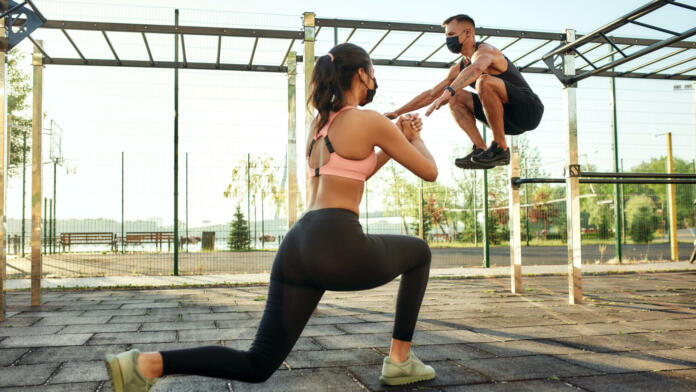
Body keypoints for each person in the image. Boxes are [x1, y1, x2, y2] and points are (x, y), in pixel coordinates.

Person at [104, 42, 439, 392]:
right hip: (337, 241)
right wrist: (415, 139)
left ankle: (144, 364)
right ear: (361, 74)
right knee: (420, 253)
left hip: (297, 246)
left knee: (258, 362)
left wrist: (398, 137)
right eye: (373, 73)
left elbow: (358, 170)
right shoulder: (370, 120)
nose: (374, 80)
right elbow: (428, 171)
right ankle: (399, 361)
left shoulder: (319, 124)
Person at [386, 14, 544, 170]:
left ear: (468, 33)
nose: (448, 40)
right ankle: (480, 148)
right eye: (447, 36)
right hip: (506, 121)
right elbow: (432, 94)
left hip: (529, 110)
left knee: (483, 81)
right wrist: (397, 112)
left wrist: (449, 90)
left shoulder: (486, 51)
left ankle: (500, 148)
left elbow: (477, 69)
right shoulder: (459, 67)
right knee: (457, 98)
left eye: (451, 35)